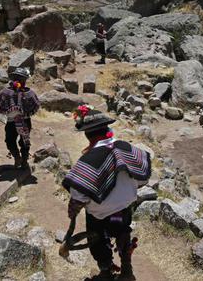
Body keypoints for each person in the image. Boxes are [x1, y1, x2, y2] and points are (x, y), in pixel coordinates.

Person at [63, 105, 152, 281]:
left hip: (99, 215)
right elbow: (142, 178)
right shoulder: (127, 148)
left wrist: (73, 210)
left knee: (97, 238)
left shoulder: (87, 161)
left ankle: (105, 271)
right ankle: (127, 269)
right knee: (122, 232)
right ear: (107, 129)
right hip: (123, 209)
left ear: (87, 134)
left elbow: (79, 196)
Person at [0, 67, 40, 169]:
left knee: (13, 141)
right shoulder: (29, 94)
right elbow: (36, 106)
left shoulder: (6, 92)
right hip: (24, 121)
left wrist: (9, 111)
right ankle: (21, 159)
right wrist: (25, 113)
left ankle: (20, 158)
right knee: (21, 141)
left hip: (12, 121)